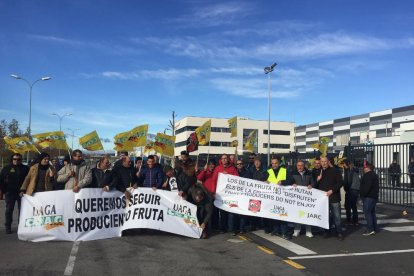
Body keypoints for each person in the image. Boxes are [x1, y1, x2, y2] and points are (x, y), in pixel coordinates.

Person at [315, 157, 344, 240]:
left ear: (328, 162)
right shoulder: (319, 172)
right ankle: (327, 231)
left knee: (337, 217)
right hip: (324, 199)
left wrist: (332, 190)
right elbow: (316, 187)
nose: (323, 163)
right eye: (322, 162)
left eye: (325, 161)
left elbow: (340, 182)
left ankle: (339, 233)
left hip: (334, 198)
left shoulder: (335, 171)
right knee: (325, 217)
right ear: (320, 162)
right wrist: (318, 180)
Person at [0, 154, 29, 234]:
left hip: (22, 193)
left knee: (22, 210)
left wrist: (25, 190)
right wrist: (5, 191)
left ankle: (21, 226)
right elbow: (1, 180)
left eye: (18, 159)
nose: (16, 160)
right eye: (15, 159)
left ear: (21, 160)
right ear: (12, 159)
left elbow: (29, 180)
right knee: (9, 210)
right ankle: (8, 226)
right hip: (10, 193)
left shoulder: (26, 168)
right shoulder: (6, 168)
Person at [264, 158, 290, 239]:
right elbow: (262, 181)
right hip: (272, 197)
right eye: (273, 163)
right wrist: (265, 182)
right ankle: (276, 230)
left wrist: (283, 182)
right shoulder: (268, 172)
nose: (274, 165)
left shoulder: (284, 170)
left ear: (278, 163)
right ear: (271, 164)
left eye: (276, 163)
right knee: (274, 214)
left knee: (282, 214)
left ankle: (284, 232)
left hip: (282, 197)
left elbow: (291, 180)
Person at [212, 154, 238, 233]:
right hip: (221, 194)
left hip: (230, 194)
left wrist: (228, 176)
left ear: (228, 159)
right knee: (222, 211)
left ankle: (230, 228)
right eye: (222, 158)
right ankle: (223, 228)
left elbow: (237, 179)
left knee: (231, 211)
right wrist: (213, 192)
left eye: (225, 158)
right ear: (221, 160)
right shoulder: (217, 168)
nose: (224, 160)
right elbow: (214, 180)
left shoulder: (233, 168)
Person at [290, 160, 314, 238]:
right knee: (298, 214)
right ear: (296, 166)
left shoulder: (309, 173)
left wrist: (311, 185)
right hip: (297, 198)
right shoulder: (293, 173)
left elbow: (313, 183)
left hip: (307, 198)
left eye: (301, 165)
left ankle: (308, 231)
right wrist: (292, 184)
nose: (300, 167)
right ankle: (296, 230)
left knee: (307, 213)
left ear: (304, 166)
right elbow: (289, 182)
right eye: (298, 165)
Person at [197, 159, 218, 230]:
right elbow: (199, 178)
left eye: (213, 164)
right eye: (210, 164)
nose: (211, 166)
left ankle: (215, 226)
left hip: (215, 195)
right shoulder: (205, 172)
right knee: (206, 211)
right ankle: (205, 226)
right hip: (206, 195)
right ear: (208, 165)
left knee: (214, 212)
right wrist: (204, 170)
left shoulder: (217, 172)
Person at [233, 159, 252, 234]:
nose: (239, 165)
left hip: (244, 195)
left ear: (243, 164)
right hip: (236, 195)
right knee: (235, 213)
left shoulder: (248, 172)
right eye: (238, 164)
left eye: (240, 164)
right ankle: (235, 228)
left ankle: (242, 228)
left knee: (243, 213)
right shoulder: (234, 172)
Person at [360, 162, 379, 236]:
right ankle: (374, 228)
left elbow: (367, 187)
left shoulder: (368, 175)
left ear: (368, 168)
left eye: (364, 167)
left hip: (368, 196)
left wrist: (362, 195)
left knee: (367, 212)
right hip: (373, 196)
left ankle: (370, 229)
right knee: (372, 212)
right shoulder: (374, 174)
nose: (363, 169)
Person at [343, 159, 361, 226]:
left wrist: (346, 189)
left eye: (344, 164)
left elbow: (348, 181)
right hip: (356, 190)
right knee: (354, 206)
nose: (343, 165)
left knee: (348, 206)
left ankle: (349, 221)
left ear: (347, 164)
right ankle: (355, 221)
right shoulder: (355, 170)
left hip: (350, 190)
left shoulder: (348, 171)